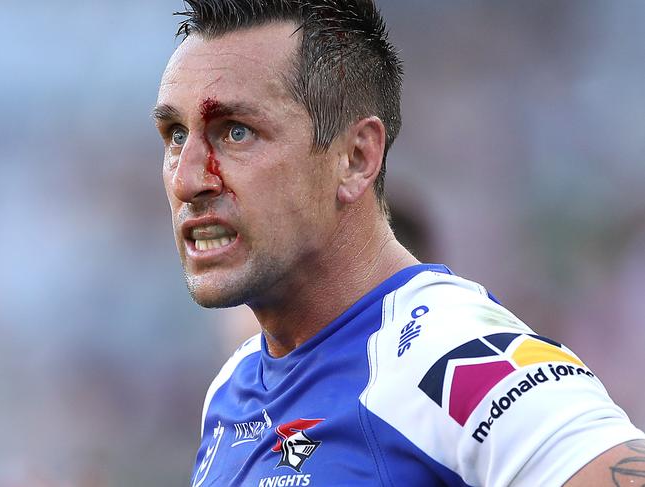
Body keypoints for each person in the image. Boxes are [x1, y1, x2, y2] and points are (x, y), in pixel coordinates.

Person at [153, 1, 644, 485]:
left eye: (236, 132)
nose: (188, 179)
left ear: (356, 157)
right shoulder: (231, 390)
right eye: (176, 135)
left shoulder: (448, 352)